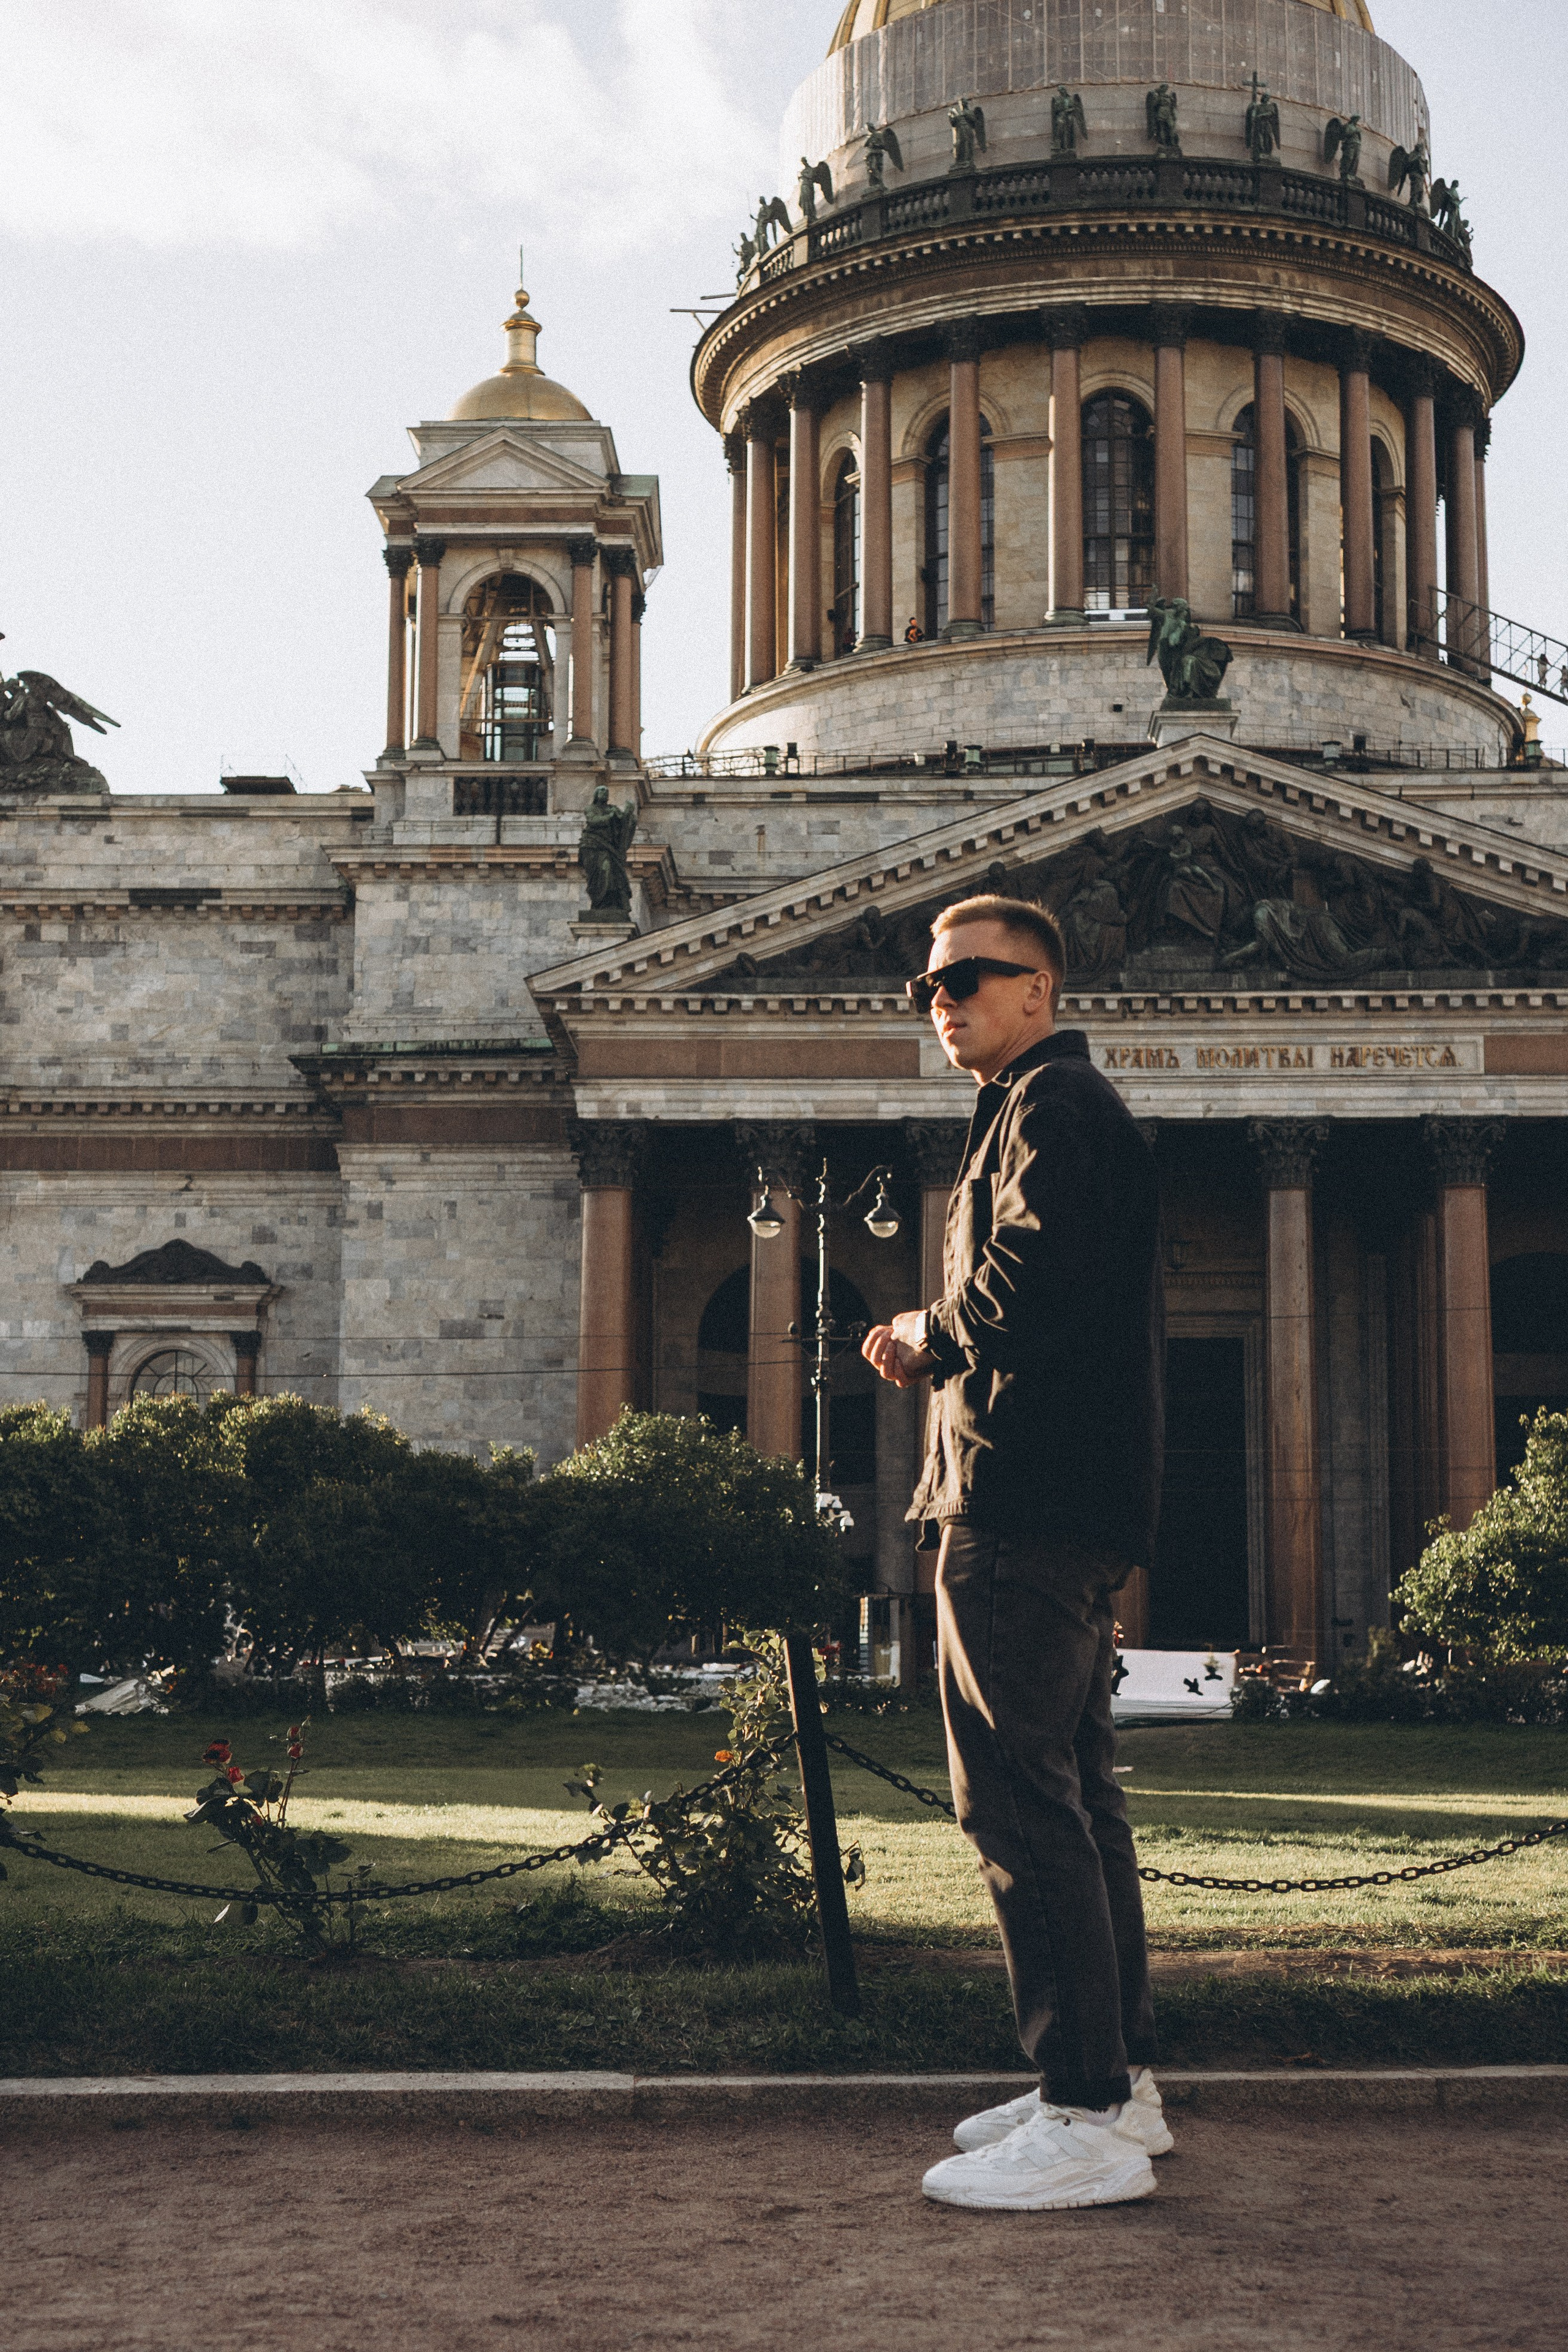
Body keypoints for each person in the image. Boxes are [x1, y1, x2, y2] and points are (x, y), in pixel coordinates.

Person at [862, 893, 1167, 2213]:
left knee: (1014, 1799)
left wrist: (934, 1327)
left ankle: (1086, 2107)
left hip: (1024, 1501)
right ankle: (1112, 2083)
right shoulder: (1031, 1106)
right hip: (1044, 1495)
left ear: (1039, 989)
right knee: (1073, 1796)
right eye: (928, 985)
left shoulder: (1053, 1106)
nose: (942, 1000)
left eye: (970, 978)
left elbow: (1032, 1271)